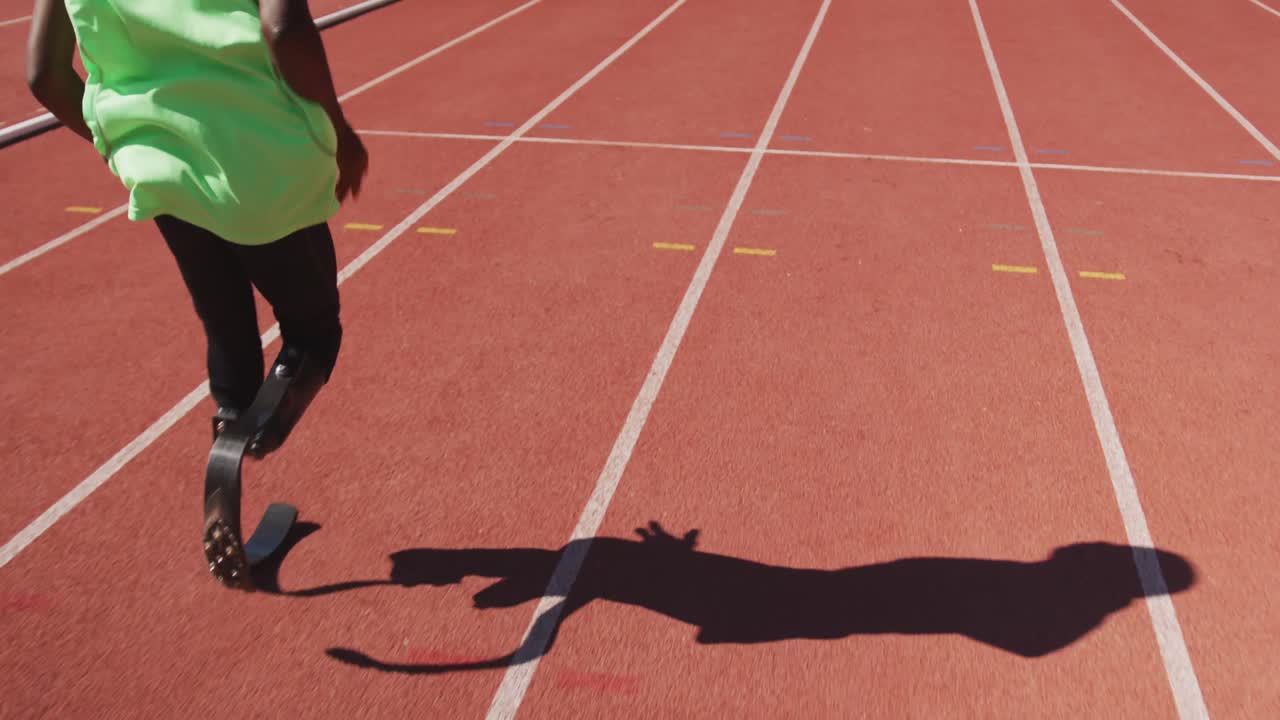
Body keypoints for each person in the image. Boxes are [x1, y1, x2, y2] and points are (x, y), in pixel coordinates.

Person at [26, 0, 369, 445]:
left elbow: (43, 75)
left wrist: (124, 146)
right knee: (314, 333)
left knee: (226, 326)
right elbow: (284, 30)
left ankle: (226, 460)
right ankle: (264, 430)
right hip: (262, 154)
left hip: (159, 163)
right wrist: (341, 135)